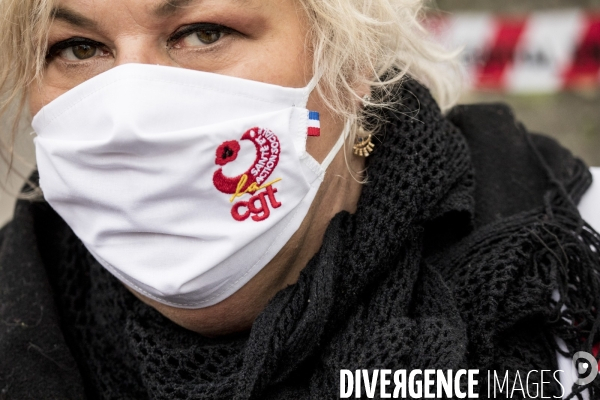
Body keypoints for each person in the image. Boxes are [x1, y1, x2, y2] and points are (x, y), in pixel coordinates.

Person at [0, 0, 599, 399]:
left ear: (352, 55)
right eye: (77, 48)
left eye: (204, 33)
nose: (127, 119)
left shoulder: (571, 263)